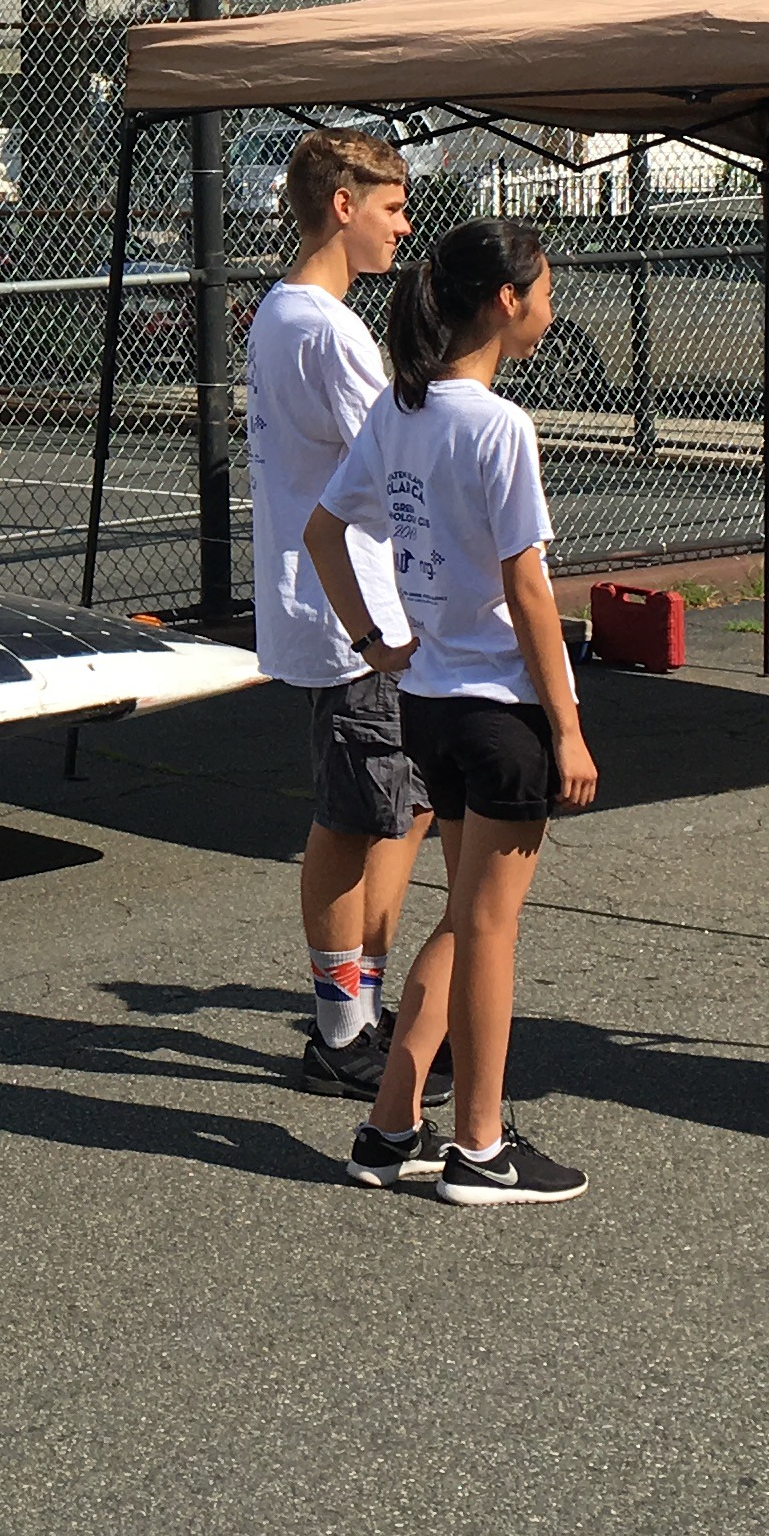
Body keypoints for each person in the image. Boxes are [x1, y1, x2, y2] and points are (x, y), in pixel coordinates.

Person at [307, 216, 599, 1206]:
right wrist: (567, 724)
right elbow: (528, 592)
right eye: (546, 287)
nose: (554, 306)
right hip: (499, 713)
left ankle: (391, 1127)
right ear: (507, 301)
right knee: (490, 934)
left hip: (428, 704)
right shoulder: (498, 426)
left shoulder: (404, 410)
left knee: (468, 920)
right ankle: (481, 1147)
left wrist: (374, 643)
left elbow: (323, 529)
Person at [242, 125, 430, 1103]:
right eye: (393, 208)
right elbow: (404, 459)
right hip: (357, 621)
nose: (404, 227)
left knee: (401, 806)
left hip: (355, 615)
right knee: (352, 822)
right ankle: (341, 1028)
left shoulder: (287, 314)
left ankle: (358, 996)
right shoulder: (322, 327)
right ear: (344, 206)